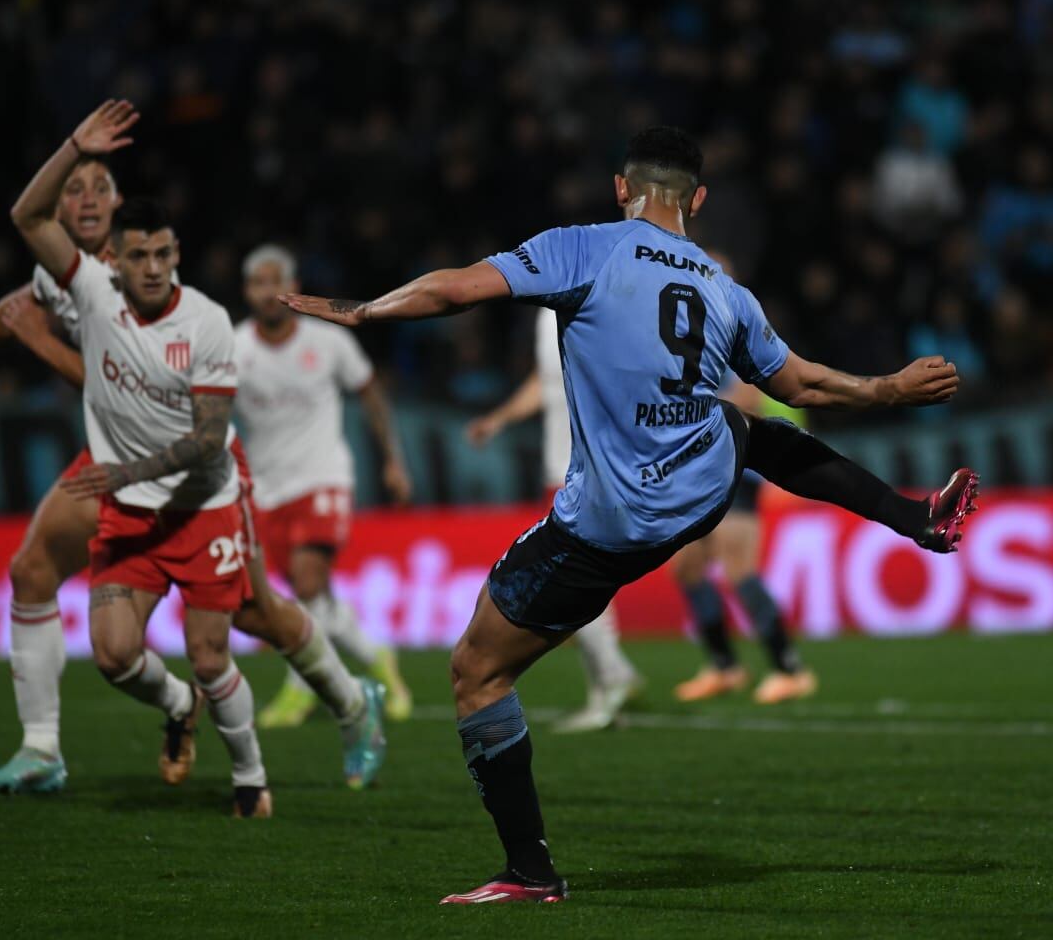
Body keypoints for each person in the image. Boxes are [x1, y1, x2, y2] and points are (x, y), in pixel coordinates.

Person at [284, 126, 977, 901]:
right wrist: (886, 389)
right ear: (699, 200)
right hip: (702, 480)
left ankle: (529, 871)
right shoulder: (724, 288)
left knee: (476, 673)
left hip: (613, 517)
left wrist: (366, 310)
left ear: (623, 189)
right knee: (753, 433)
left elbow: (451, 289)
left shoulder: (583, 249)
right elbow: (804, 384)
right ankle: (915, 518)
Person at [0, 116, 385, 798]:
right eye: (77, 188)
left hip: (193, 474)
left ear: (125, 215)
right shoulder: (68, 272)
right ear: (62, 203)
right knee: (37, 573)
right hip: (116, 467)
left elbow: (111, 372)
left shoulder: (158, 290)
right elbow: (19, 305)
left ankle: (352, 701)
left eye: (100, 186)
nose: (87, 198)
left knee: (255, 612)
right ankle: (48, 746)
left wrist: (35, 344)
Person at [234, 244, 416, 726]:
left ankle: (303, 690)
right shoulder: (236, 349)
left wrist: (393, 461)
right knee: (307, 595)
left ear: (292, 286)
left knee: (308, 580)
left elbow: (371, 393)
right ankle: (376, 656)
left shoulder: (329, 341)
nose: (267, 291)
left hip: (323, 476)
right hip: (267, 487)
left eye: (275, 280)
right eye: (257, 283)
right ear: (247, 291)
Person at [465, 307, 644, 734]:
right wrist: (499, 419)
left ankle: (613, 676)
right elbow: (546, 384)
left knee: (571, 576)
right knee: (582, 576)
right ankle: (609, 682)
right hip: (559, 467)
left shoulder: (602, 307)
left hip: (591, 466)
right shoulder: (548, 317)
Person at [671, 375, 816, 705]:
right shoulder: (679, 346)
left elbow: (747, 400)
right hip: (697, 475)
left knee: (739, 570)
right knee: (687, 568)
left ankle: (790, 670)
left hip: (733, 470)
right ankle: (725, 667)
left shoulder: (720, 336)